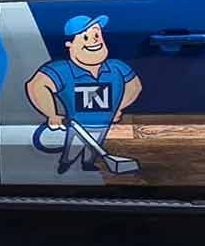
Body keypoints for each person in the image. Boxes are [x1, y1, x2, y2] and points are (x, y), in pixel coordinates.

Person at [25, 14, 141, 174]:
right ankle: (65, 163)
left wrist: (119, 108)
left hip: (103, 124)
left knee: (94, 148)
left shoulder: (116, 67)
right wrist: (52, 114)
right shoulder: (63, 70)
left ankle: (87, 164)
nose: (94, 41)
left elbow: (134, 86)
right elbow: (37, 85)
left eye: (96, 34)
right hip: (76, 125)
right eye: (85, 37)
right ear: (70, 44)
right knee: (73, 148)